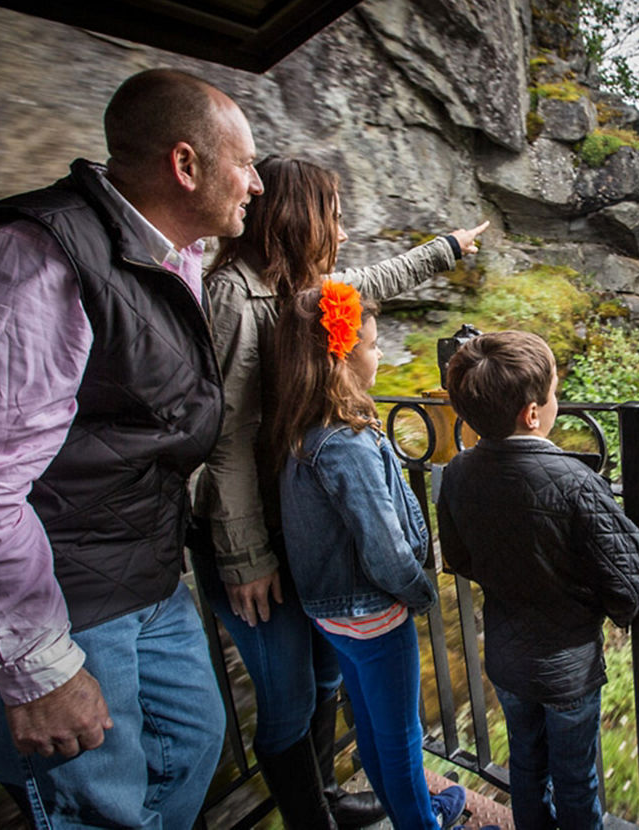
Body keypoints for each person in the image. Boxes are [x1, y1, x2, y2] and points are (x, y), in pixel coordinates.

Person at [0, 67, 262, 827]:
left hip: (139, 572)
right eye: (246, 162)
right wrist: (35, 668)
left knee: (192, 745)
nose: (256, 184)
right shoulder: (33, 261)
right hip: (60, 598)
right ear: (185, 164)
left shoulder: (169, 256)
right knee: (98, 806)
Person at [190, 153, 488, 828]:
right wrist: (246, 558)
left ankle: (324, 796)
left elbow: (371, 280)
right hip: (253, 538)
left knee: (325, 676)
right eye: (334, 215)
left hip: (299, 527)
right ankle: (309, 818)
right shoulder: (235, 298)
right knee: (289, 695)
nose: (342, 231)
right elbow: (227, 438)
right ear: (299, 219)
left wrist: (447, 249)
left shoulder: (302, 289)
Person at [270, 282, 469, 829]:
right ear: (344, 355)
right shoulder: (347, 444)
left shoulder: (301, 430)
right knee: (401, 736)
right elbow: (382, 544)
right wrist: (420, 592)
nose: (379, 354)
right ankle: (421, 823)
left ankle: (419, 809)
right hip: (373, 615)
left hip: (331, 615)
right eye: (374, 345)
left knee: (375, 728)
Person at [436, 331, 639, 830]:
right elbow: (629, 579)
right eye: (554, 392)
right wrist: (593, 604)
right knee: (577, 778)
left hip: (507, 658)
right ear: (533, 414)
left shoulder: (458, 473)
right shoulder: (577, 483)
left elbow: (460, 558)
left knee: (527, 765)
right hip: (567, 667)